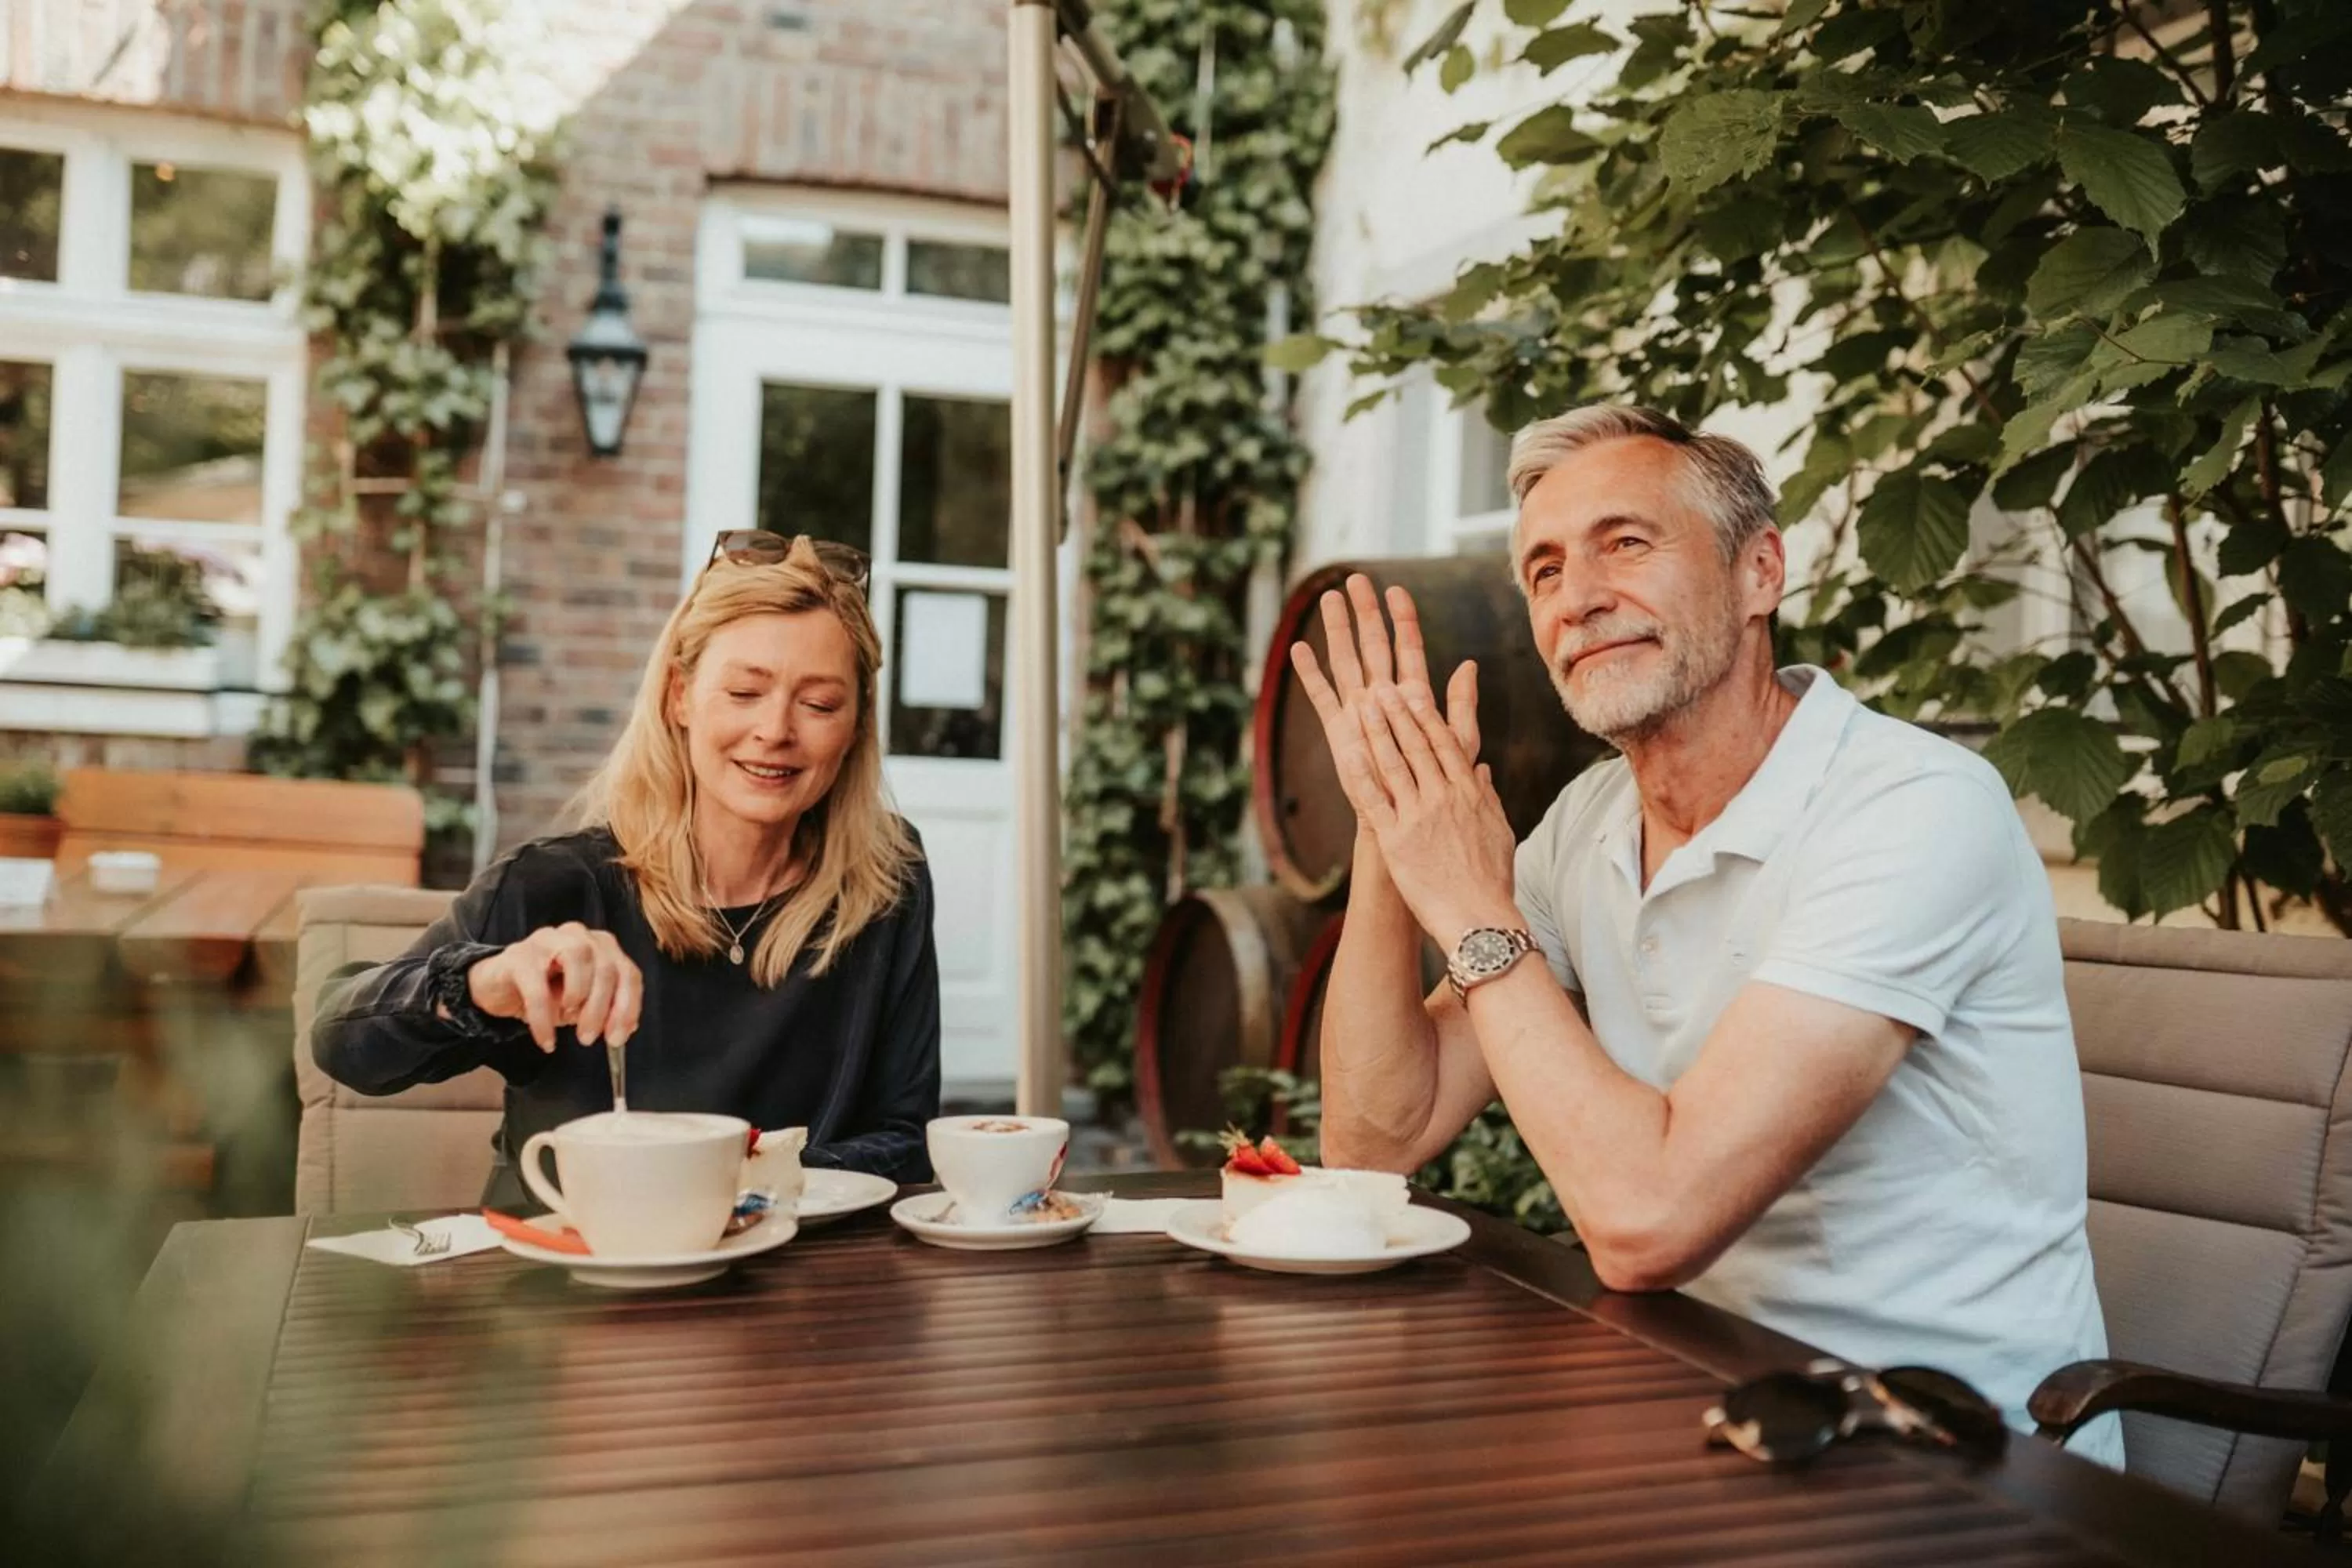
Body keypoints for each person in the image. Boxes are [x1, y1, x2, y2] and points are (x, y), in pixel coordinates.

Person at [1294, 405, 2118, 1461]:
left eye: (1625, 544)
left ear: (1759, 575)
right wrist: (1391, 825)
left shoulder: (1914, 806)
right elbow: (1373, 1141)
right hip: (1700, 1397)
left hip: (1948, 1458)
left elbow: (1647, 1224)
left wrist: (1468, 906)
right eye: (1543, 572)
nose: (1579, 599)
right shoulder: (1590, 824)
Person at [314, 531, 941, 1207]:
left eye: (819, 704)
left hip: (797, 1282)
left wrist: (736, 1186)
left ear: (854, 730)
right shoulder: (553, 885)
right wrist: (485, 984)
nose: (776, 731)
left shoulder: (886, 881)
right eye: (743, 692)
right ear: (679, 697)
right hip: (571, 1289)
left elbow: (905, 1139)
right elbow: (342, 1044)